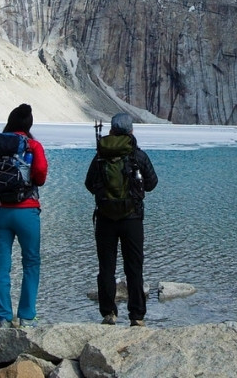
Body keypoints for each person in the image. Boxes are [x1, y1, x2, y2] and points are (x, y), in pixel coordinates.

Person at [0, 103, 48, 328]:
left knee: (1, 264)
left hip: (0, 211)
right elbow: (41, 175)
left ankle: (3, 317)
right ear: (29, 124)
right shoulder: (33, 145)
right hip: (27, 212)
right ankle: (26, 316)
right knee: (31, 262)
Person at [84, 112, 158, 326]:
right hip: (132, 219)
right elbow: (152, 183)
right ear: (131, 131)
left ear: (111, 131)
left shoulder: (100, 155)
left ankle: (109, 313)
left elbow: (89, 184)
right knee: (134, 266)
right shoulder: (138, 155)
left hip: (105, 218)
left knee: (106, 267)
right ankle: (137, 315)